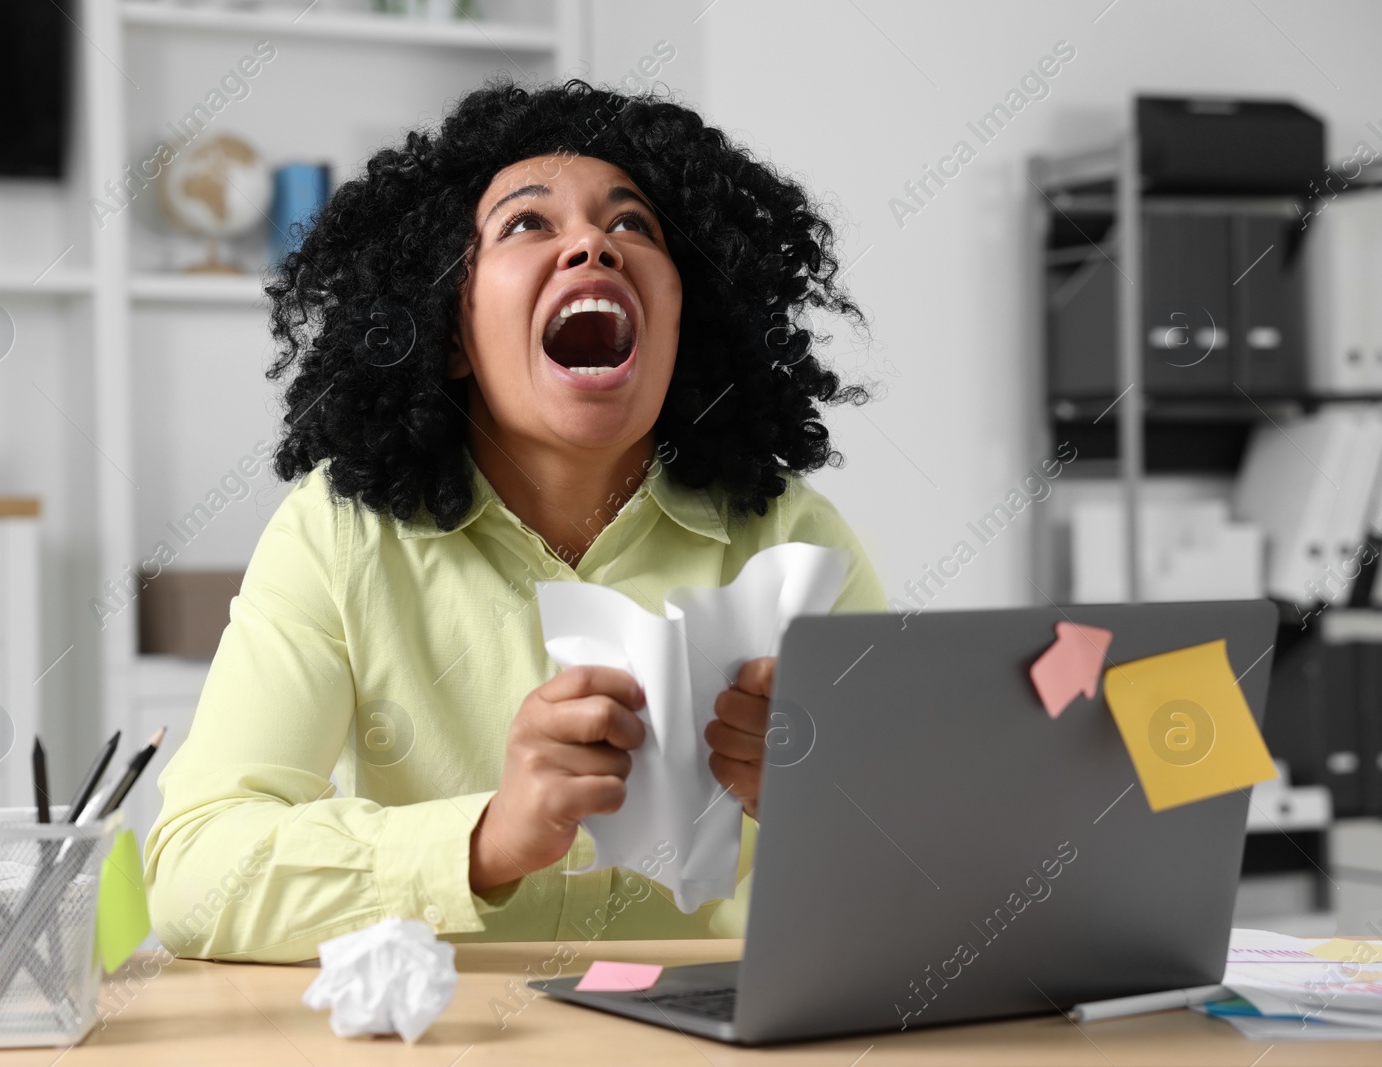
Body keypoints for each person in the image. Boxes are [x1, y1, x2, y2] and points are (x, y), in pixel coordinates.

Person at [144, 77, 886, 962]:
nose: (592, 247)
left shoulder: (792, 536)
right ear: (452, 332)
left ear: (687, 319)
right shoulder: (339, 536)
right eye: (529, 224)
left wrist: (832, 798)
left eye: (633, 226)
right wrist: (485, 840)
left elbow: (944, 860)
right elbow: (193, 874)